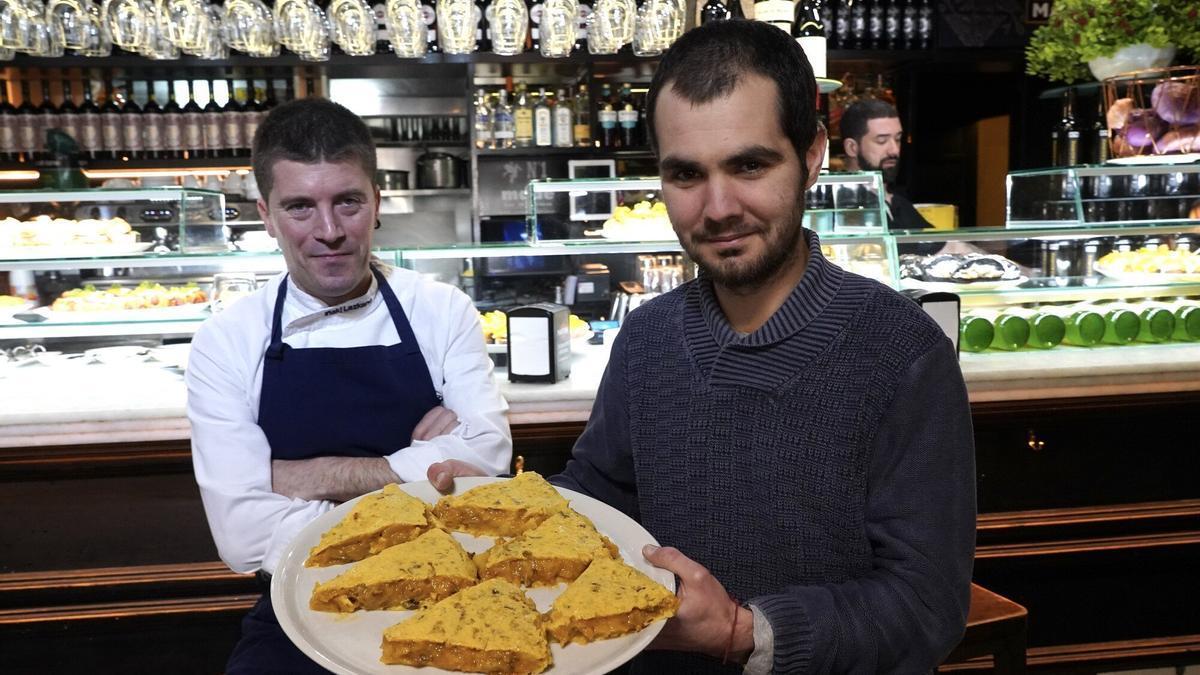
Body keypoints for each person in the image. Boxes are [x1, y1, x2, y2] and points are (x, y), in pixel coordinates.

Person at [551, 20, 976, 674]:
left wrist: (743, 631)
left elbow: (925, 605)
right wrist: (491, 512)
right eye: (686, 174)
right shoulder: (647, 336)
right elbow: (599, 495)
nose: (718, 207)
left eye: (749, 164)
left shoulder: (901, 352)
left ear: (811, 155)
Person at [185, 98, 511, 673]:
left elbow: (487, 464)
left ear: (377, 202)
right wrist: (418, 465)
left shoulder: (442, 310)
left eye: (348, 202)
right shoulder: (227, 339)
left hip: (456, 594)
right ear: (266, 215)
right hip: (303, 599)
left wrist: (301, 477)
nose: (329, 231)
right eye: (300, 207)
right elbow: (241, 537)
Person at [841, 98, 935, 230]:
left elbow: (940, 244)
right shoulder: (843, 204)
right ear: (852, 147)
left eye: (897, 139)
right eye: (882, 141)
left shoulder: (898, 202)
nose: (894, 150)